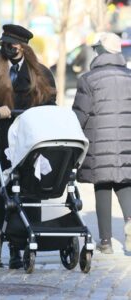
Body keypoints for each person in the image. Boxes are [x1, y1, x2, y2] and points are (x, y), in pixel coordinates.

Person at [0, 24, 56, 268]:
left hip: (27, 142)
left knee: (26, 191)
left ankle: (21, 245)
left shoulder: (41, 73)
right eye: (5, 43)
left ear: (24, 47)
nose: (8, 48)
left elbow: (51, 102)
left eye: (13, 45)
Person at [72, 32, 131, 254]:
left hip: (99, 145)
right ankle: (130, 220)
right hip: (127, 145)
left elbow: (80, 114)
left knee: (102, 187)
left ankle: (105, 241)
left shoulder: (88, 79)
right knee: (125, 183)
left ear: (99, 51)